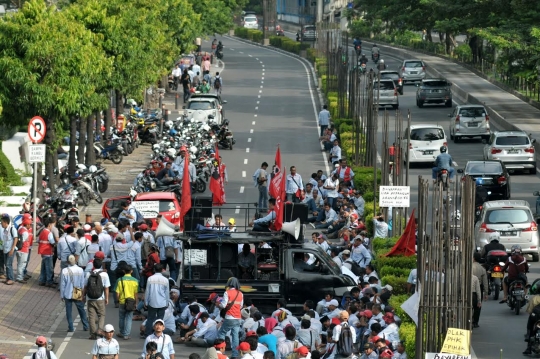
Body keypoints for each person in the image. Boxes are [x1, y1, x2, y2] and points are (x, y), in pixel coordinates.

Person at [60, 254, 89, 332]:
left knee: (68, 311)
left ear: (67, 261)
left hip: (67, 292)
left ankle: (71, 327)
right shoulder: (80, 270)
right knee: (81, 309)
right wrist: (83, 293)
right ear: (75, 261)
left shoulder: (64, 270)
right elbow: (82, 283)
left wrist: (62, 295)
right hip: (77, 291)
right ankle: (86, 325)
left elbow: (62, 284)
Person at [217, 277, 244, 359]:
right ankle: (235, 355)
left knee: (221, 333)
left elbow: (223, 305)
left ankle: (222, 352)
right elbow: (241, 306)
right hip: (238, 318)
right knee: (235, 336)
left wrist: (218, 304)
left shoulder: (227, 292)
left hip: (229, 317)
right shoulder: (240, 293)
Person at [85, 257, 111, 340]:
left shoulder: (89, 274)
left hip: (90, 298)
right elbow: (106, 288)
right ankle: (100, 331)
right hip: (100, 298)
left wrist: (83, 296)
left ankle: (93, 334)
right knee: (101, 315)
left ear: (93, 265)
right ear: (101, 265)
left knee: (91, 316)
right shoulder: (104, 274)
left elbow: (85, 287)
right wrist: (107, 298)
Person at [144, 263, 170, 337]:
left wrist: (146, 301)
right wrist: (167, 302)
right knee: (160, 319)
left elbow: (147, 291)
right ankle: (159, 334)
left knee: (150, 318)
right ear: (162, 270)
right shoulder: (165, 280)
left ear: (154, 269)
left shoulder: (150, 278)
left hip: (152, 302)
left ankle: (147, 334)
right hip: (162, 302)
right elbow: (167, 293)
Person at [116, 264, 139, 340]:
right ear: (131, 271)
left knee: (121, 318)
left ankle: (122, 332)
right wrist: (136, 302)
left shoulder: (119, 280)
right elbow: (136, 293)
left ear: (123, 271)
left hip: (122, 301)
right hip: (131, 302)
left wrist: (118, 300)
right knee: (129, 318)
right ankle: (126, 335)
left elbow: (117, 293)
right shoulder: (135, 281)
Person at [38, 218, 57, 287]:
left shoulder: (42, 231)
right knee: (49, 268)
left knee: (43, 267)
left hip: (42, 252)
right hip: (48, 252)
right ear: (49, 225)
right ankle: (49, 282)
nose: (52, 226)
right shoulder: (49, 233)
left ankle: (42, 280)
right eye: (52, 225)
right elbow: (52, 242)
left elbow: (39, 240)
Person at [1, 214, 18, 285]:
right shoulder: (4, 230)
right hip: (5, 249)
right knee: (6, 264)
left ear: (5, 222)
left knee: (8, 264)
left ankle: (11, 279)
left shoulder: (12, 229)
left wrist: (12, 249)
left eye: (2, 223)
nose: (1, 224)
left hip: (11, 250)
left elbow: (16, 238)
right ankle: (8, 278)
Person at [472, 252, 487, 328]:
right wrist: (486, 293)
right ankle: (475, 322)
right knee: (478, 305)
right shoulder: (482, 269)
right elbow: (485, 282)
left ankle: (469, 320)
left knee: (469, 305)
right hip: (479, 288)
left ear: (473, 258)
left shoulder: (469, 267)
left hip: (470, 287)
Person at [15, 215, 32, 284]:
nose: (30, 226)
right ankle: (20, 277)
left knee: (19, 264)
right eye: (30, 225)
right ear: (27, 224)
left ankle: (20, 276)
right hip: (23, 250)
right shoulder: (25, 232)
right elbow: (23, 242)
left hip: (19, 250)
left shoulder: (20, 229)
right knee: (22, 265)